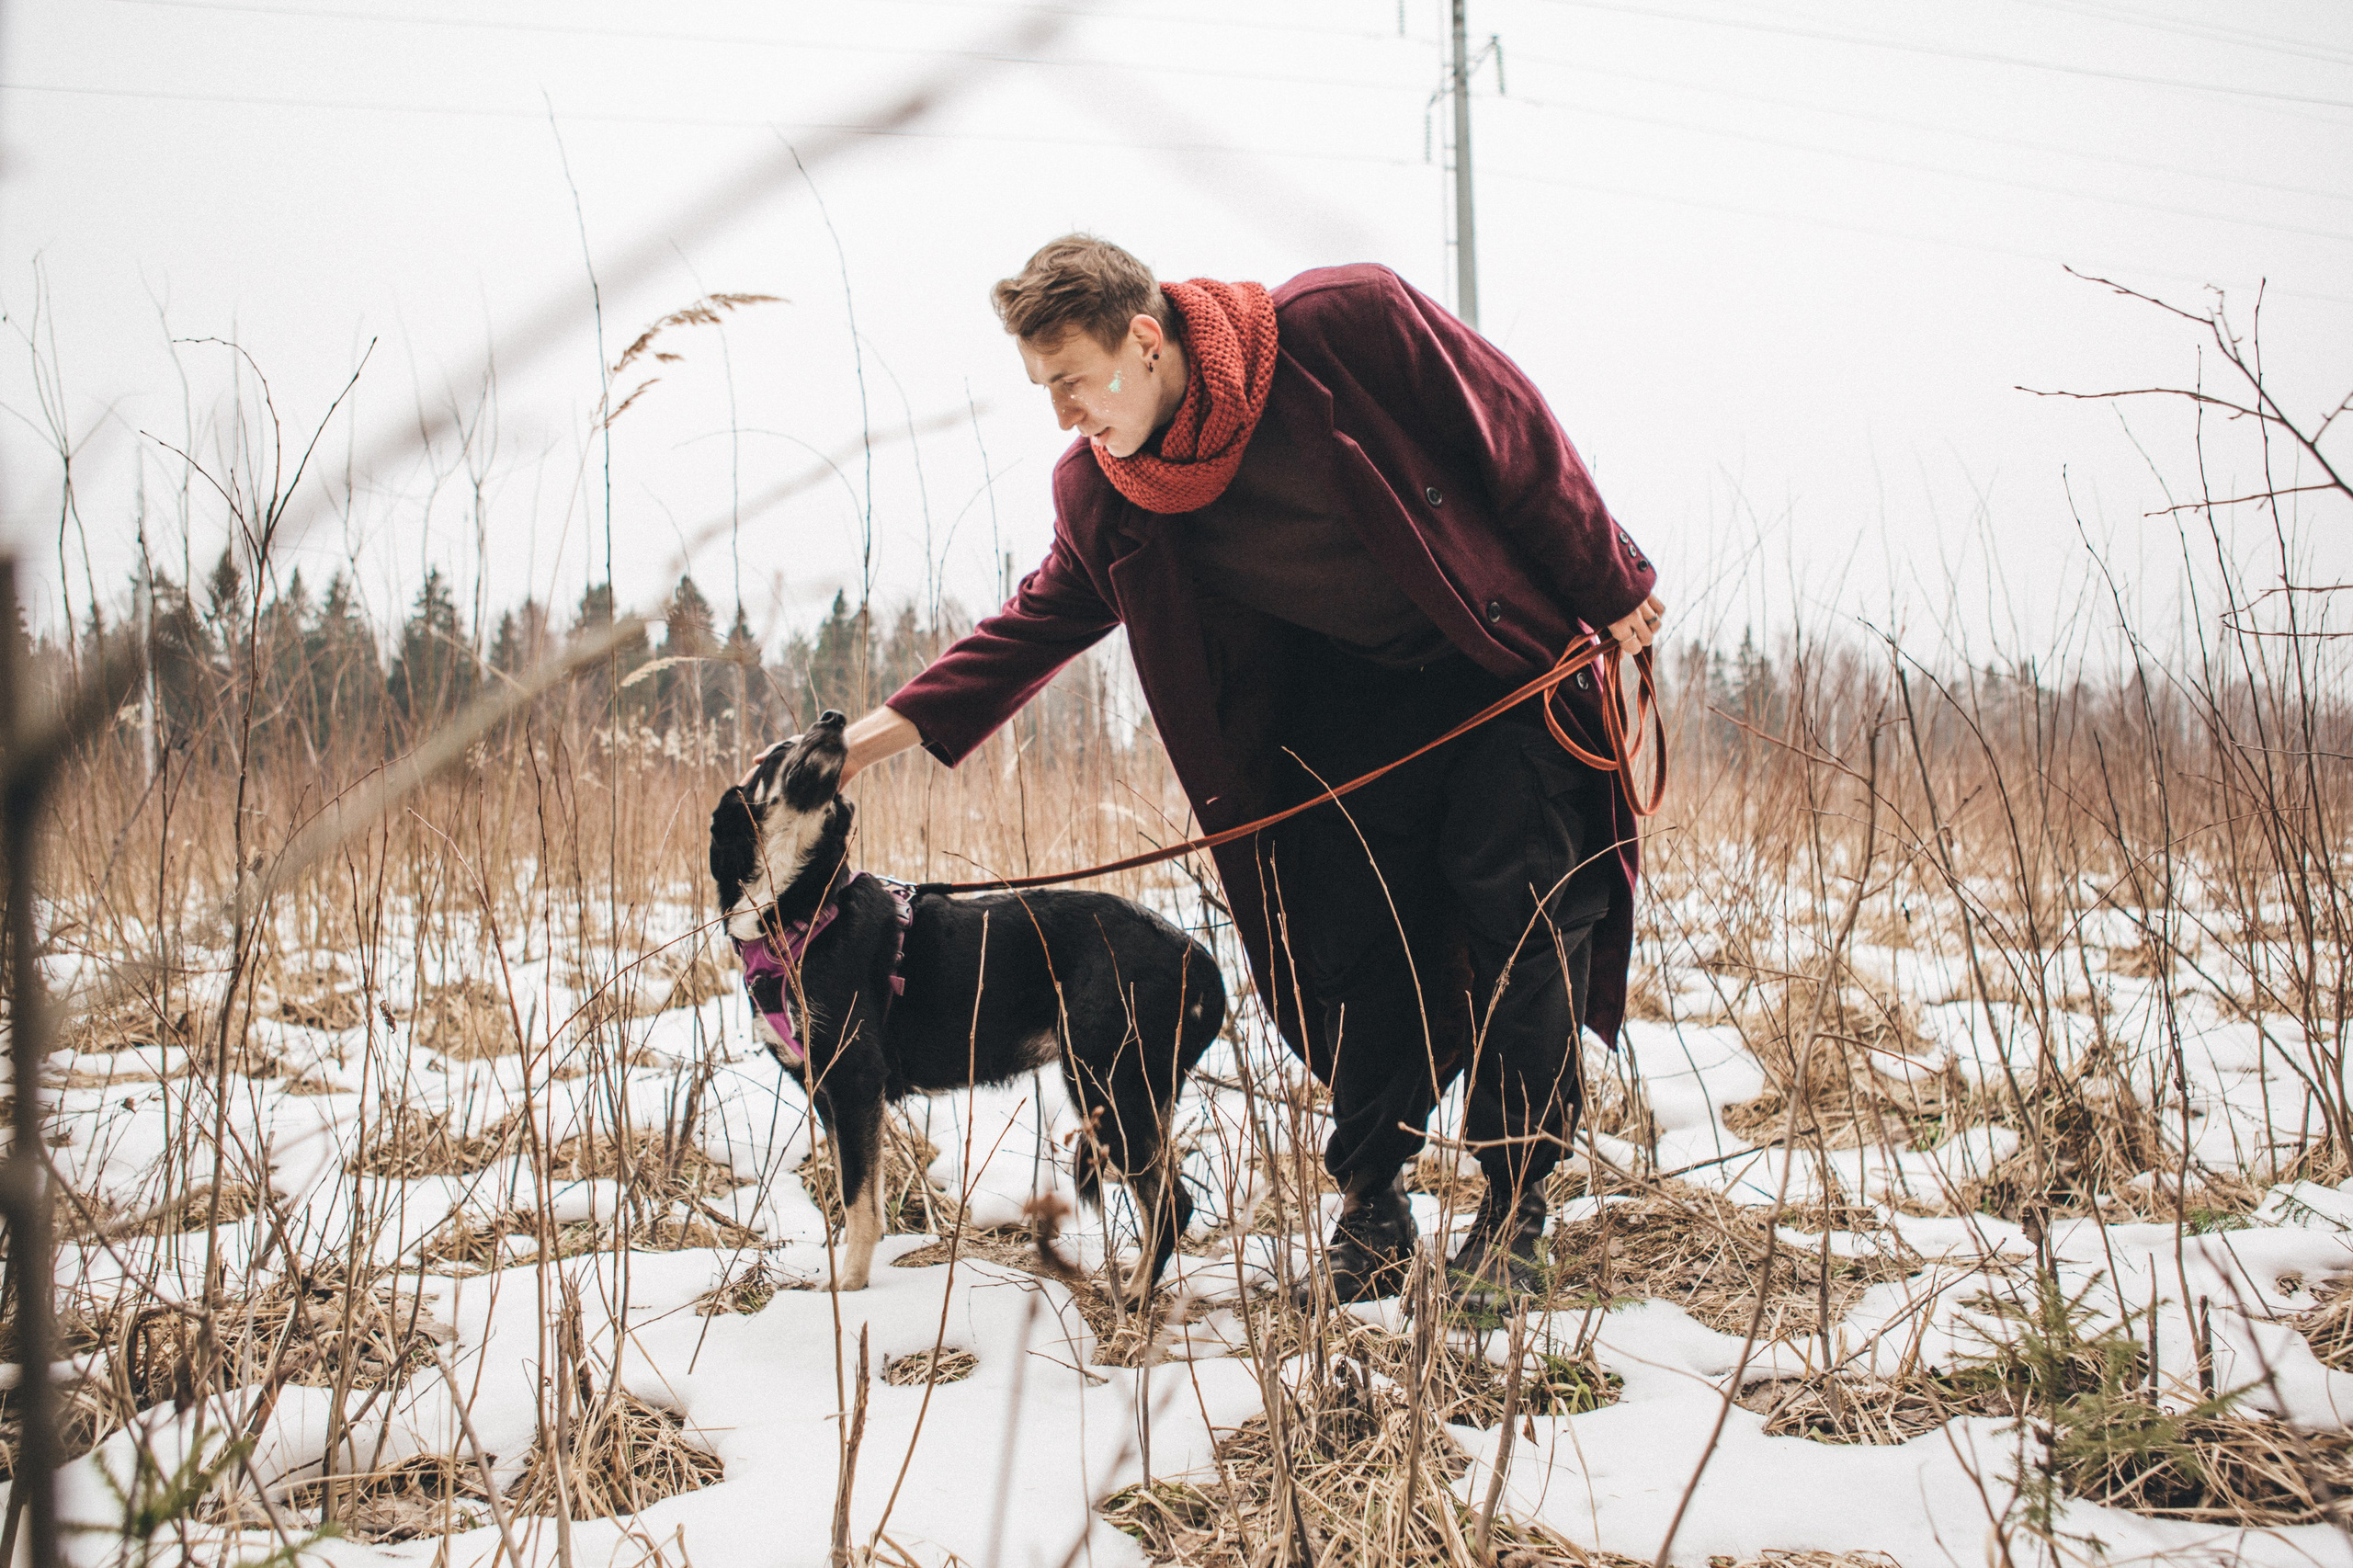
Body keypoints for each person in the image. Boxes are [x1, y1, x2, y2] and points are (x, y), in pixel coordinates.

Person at [813, 235, 1662, 1302]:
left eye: (1072, 380)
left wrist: (1610, 579)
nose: (1063, 414)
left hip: (1492, 673)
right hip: (1346, 721)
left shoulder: (1347, 326)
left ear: (1145, 339)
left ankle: (1515, 1209)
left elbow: (1512, 434)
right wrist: (851, 748)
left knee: (1520, 919)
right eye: (1043, 389)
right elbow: (1028, 627)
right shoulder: (1108, 492)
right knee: (1358, 949)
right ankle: (1373, 1204)